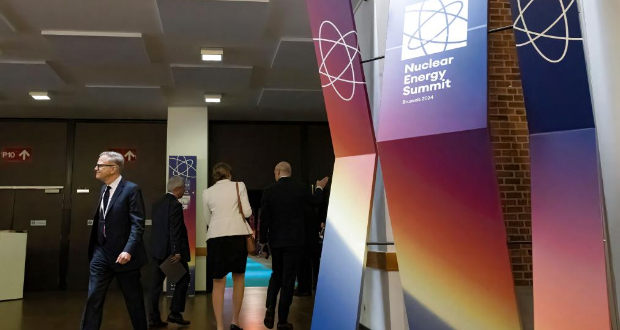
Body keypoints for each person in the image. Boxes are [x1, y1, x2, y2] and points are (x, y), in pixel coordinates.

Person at [81, 151, 148, 330]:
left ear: (113, 169)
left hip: (124, 255)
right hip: (101, 253)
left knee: (134, 300)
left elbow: (137, 224)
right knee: (93, 296)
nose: (96, 168)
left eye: (100, 165)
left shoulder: (131, 189)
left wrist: (128, 250)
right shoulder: (104, 189)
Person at [260, 161, 329, 330]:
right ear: (289, 172)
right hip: (295, 241)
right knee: (288, 279)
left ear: (277, 172)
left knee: (276, 274)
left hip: (276, 241)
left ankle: (270, 307)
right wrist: (320, 187)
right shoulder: (300, 188)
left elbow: (265, 220)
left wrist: (263, 242)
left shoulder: (269, 190)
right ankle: (282, 321)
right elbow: (315, 202)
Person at [202, 162, 253, 330]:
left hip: (216, 237)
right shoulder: (239, 186)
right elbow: (247, 212)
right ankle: (235, 322)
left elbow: (208, 220)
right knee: (238, 278)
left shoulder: (207, 193)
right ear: (229, 173)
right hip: (237, 236)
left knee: (218, 282)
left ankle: (219, 326)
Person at [148, 176, 191, 328]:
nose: (184, 191)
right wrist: (176, 251)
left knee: (155, 286)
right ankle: (175, 313)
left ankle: (153, 319)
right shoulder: (175, 204)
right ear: (178, 189)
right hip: (169, 253)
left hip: (156, 251)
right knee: (184, 279)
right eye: (184, 188)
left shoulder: (157, 203)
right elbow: (175, 230)